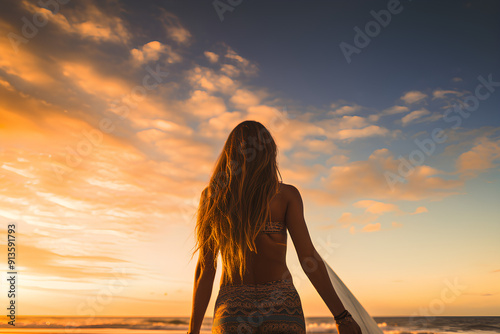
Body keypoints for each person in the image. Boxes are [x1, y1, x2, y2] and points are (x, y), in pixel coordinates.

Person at [188, 120, 362, 334]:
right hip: (281, 304)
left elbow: (206, 268)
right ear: (269, 153)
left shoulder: (214, 197)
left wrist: (193, 330)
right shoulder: (286, 195)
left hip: (233, 307)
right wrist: (341, 317)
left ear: (230, 154)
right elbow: (308, 257)